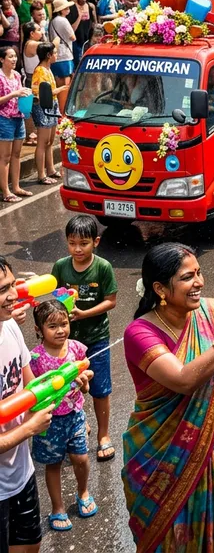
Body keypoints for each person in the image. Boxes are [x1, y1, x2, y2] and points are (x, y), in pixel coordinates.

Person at [123, 243, 214, 551]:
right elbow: (183, 380)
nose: (199, 283)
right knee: (175, 539)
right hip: (162, 453)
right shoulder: (139, 333)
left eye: (199, 273)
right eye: (188, 277)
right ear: (160, 288)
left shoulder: (211, 311)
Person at [0, 256, 79, 552]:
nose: (12, 295)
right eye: (2, 290)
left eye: (10, 285)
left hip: (21, 474)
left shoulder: (8, 328)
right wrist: (30, 428)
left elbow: (30, 382)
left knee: (30, 545)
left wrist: (67, 381)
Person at [51, 215, 117, 463]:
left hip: (96, 337)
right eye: (72, 243)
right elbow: (57, 296)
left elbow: (111, 302)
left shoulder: (103, 268)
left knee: (100, 389)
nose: (77, 249)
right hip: (67, 341)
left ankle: (103, 435)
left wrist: (82, 314)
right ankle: (80, 423)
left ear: (96, 242)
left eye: (84, 243)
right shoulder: (60, 266)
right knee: (70, 386)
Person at [30, 300, 95, 532]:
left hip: (76, 414)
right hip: (49, 421)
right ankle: (57, 508)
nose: (60, 330)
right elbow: (31, 390)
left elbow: (87, 373)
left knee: (81, 458)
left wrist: (85, 380)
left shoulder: (77, 348)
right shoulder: (35, 359)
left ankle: (83, 492)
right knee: (53, 464)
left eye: (64, 324)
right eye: (52, 326)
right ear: (38, 330)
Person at [0, 47, 32, 203]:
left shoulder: (18, 75)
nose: (14, 59)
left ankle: (17, 187)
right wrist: (14, 94)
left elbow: (20, 95)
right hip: (4, 119)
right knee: (5, 157)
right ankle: (6, 191)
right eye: (10, 56)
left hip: (19, 117)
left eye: (15, 56)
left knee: (16, 155)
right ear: (1, 59)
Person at [31, 42, 64, 186]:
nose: (56, 55)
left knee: (50, 142)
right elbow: (42, 93)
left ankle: (50, 169)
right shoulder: (40, 71)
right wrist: (62, 88)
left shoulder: (48, 69)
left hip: (52, 106)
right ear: (49, 55)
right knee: (42, 143)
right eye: (55, 53)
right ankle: (41, 175)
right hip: (43, 108)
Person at [47, 0, 75, 113]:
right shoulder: (63, 20)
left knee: (58, 83)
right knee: (65, 85)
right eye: (66, 7)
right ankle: (64, 110)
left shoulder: (53, 21)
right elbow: (73, 37)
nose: (68, 9)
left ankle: (60, 108)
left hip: (57, 55)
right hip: (64, 55)